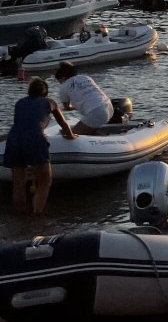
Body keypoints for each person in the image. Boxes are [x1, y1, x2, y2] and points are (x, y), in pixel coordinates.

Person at [5, 76, 75, 213]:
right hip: (34, 139)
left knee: (18, 184)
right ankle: (37, 218)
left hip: (13, 139)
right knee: (44, 182)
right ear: (45, 93)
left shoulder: (20, 103)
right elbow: (63, 124)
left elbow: (25, 122)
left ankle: (21, 217)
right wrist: (71, 135)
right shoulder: (50, 102)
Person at [53, 61, 113, 136]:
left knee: (70, 134)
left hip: (96, 112)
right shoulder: (86, 77)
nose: (60, 83)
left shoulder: (64, 87)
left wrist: (61, 108)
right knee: (88, 127)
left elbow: (67, 107)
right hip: (108, 107)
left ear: (63, 77)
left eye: (59, 81)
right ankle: (99, 134)